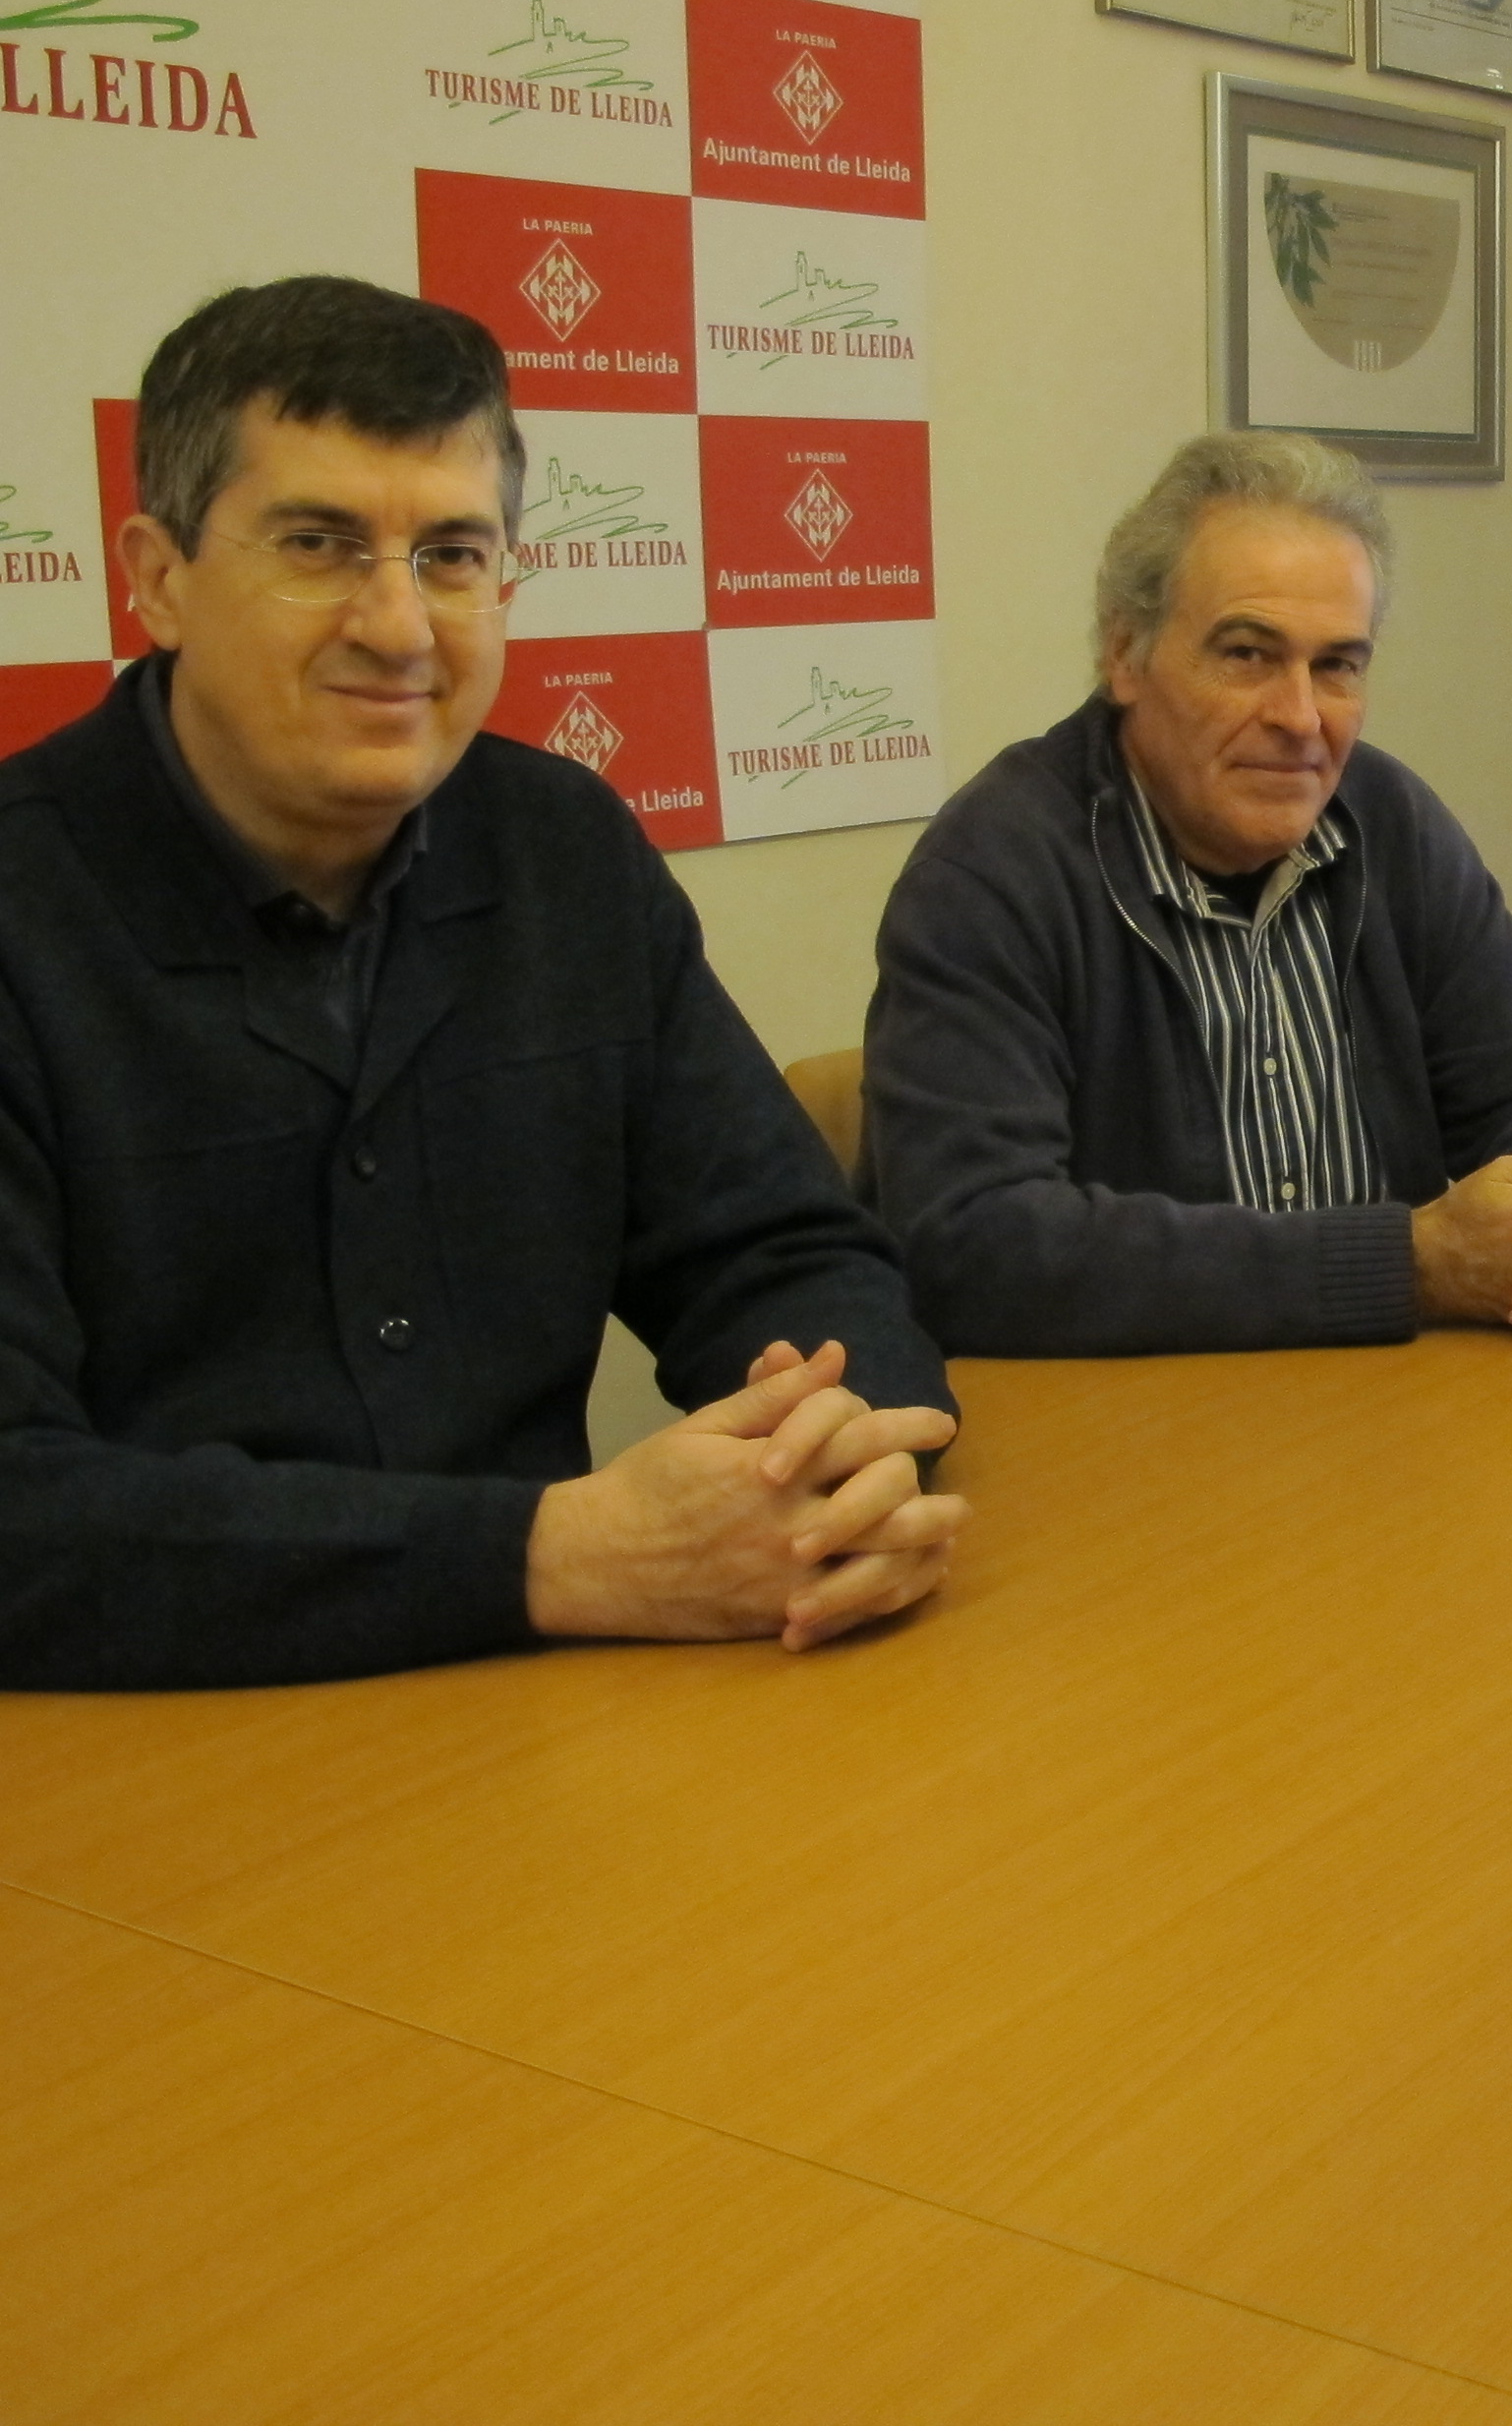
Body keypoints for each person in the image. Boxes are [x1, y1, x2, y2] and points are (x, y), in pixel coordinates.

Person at [0, 276, 964, 1691]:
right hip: (140, 1746)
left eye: (452, 555)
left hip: (536, 1713)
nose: (400, 626)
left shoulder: (565, 851)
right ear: (156, 577)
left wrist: (841, 1455)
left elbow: (786, 1256)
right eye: (319, 545)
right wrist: (556, 1556)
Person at [865, 432, 1512, 1356]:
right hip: (1131, 1419)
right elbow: (974, 1246)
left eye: (1338, 666)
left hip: (1392, 1403)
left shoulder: (1391, 825)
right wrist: (1413, 1265)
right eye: (1248, 654)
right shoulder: (993, 874)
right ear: (1125, 653)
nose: (1300, 717)